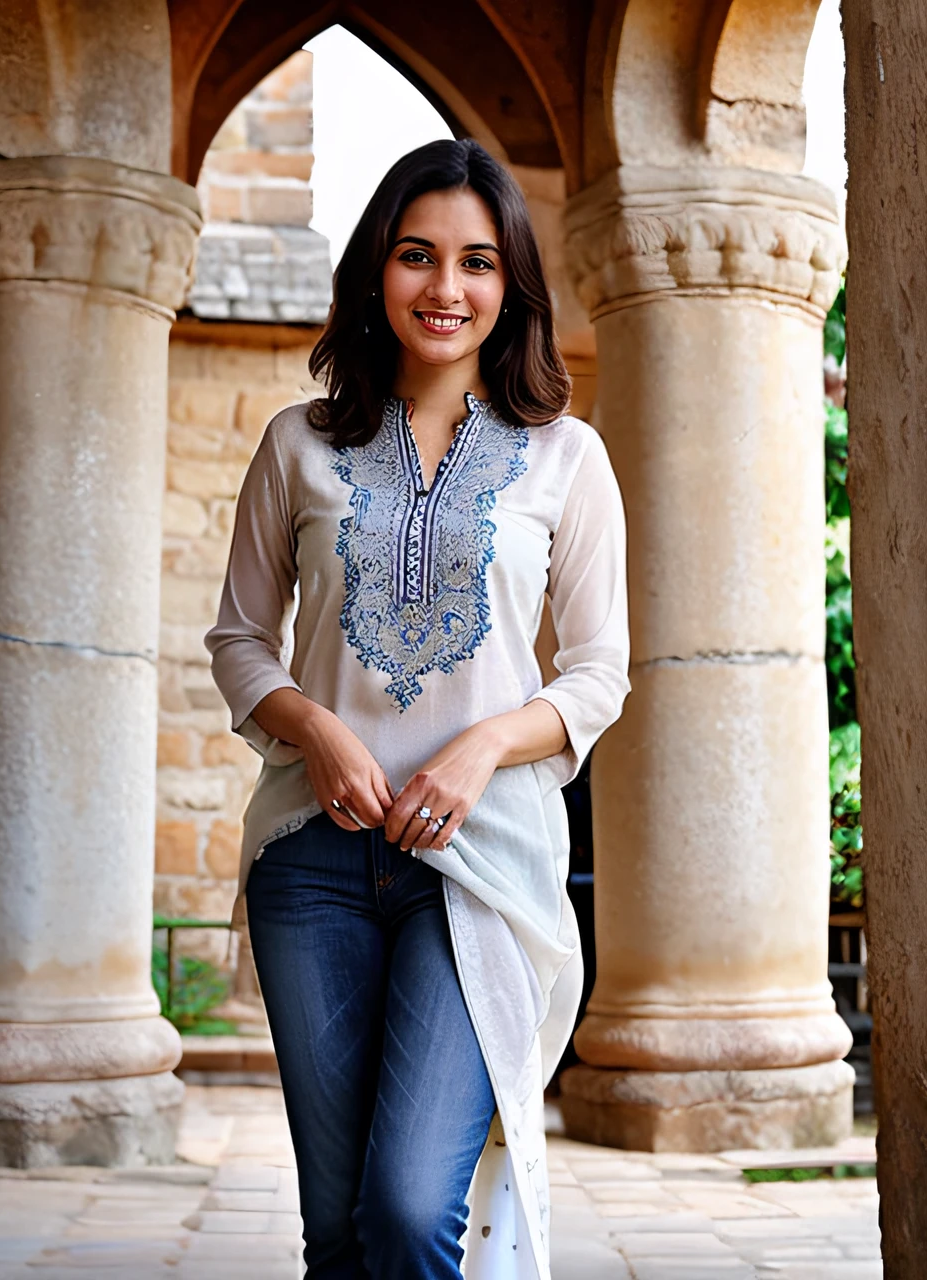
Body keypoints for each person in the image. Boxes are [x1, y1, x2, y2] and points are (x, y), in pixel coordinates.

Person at [205, 137, 630, 1280]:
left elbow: (598, 670)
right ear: (374, 273)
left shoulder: (565, 459)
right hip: (311, 857)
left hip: (481, 862)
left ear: (510, 286)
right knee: (336, 1226)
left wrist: (485, 745)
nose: (446, 288)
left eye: (477, 261)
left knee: (405, 1205)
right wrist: (316, 727)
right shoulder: (298, 444)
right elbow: (239, 638)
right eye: (416, 255)